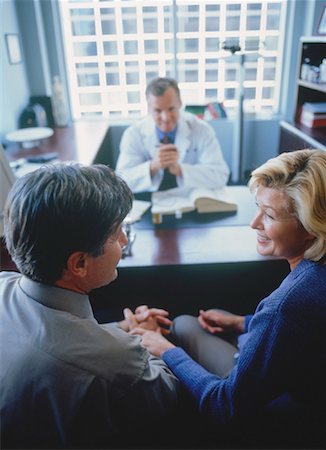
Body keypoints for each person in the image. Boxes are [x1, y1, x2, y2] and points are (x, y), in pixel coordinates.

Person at [129, 149, 326, 447]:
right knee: (185, 323)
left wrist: (164, 349)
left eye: (269, 215)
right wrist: (242, 322)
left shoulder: (284, 306)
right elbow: (306, 329)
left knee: (181, 327)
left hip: (290, 418)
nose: (254, 222)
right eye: (257, 208)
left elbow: (225, 406)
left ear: (311, 228)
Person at [0, 163, 180, 449]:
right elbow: (165, 395)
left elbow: (58, 339)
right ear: (79, 264)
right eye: (117, 232)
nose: (124, 240)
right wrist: (145, 339)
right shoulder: (116, 359)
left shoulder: (3, 283)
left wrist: (120, 330)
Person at [115, 77, 230, 193]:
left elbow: (220, 175)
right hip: (149, 198)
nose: (166, 118)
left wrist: (181, 170)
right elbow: (121, 182)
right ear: (148, 109)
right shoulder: (133, 134)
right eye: (158, 111)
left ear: (180, 104)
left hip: (189, 198)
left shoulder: (201, 129)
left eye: (171, 109)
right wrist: (153, 166)